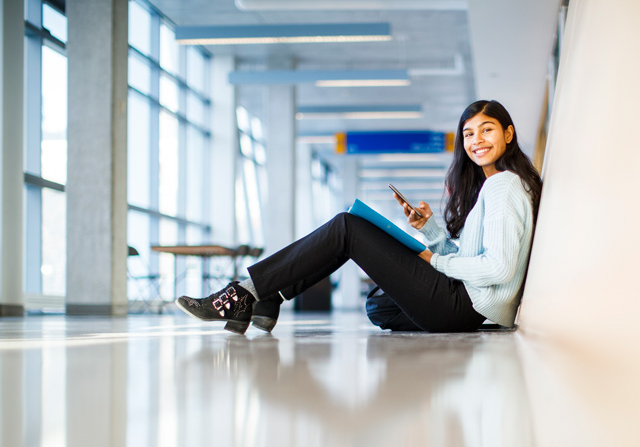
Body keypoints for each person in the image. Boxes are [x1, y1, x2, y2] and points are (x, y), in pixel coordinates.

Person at [175, 100, 542, 335]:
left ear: (508, 134)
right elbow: (472, 258)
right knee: (378, 305)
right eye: (468, 133)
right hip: (466, 305)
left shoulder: (503, 186)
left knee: (347, 227)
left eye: (487, 130)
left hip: (463, 306)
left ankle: (245, 293)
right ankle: (270, 297)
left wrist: (435, 260)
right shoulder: (497, 186)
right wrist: (429, 231)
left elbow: (498, 269)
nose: (476, 140)